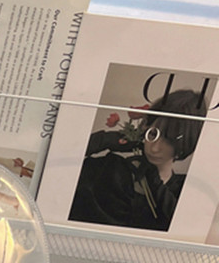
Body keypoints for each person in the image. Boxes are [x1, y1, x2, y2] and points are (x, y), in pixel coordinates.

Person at [68, 87, 206, 231]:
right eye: (153, 134)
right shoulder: (110, 168)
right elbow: (60, 159)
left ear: (186, 144)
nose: (155, 148)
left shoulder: (184, 192)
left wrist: (153, 178)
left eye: (169, 140)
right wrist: (107, 140)